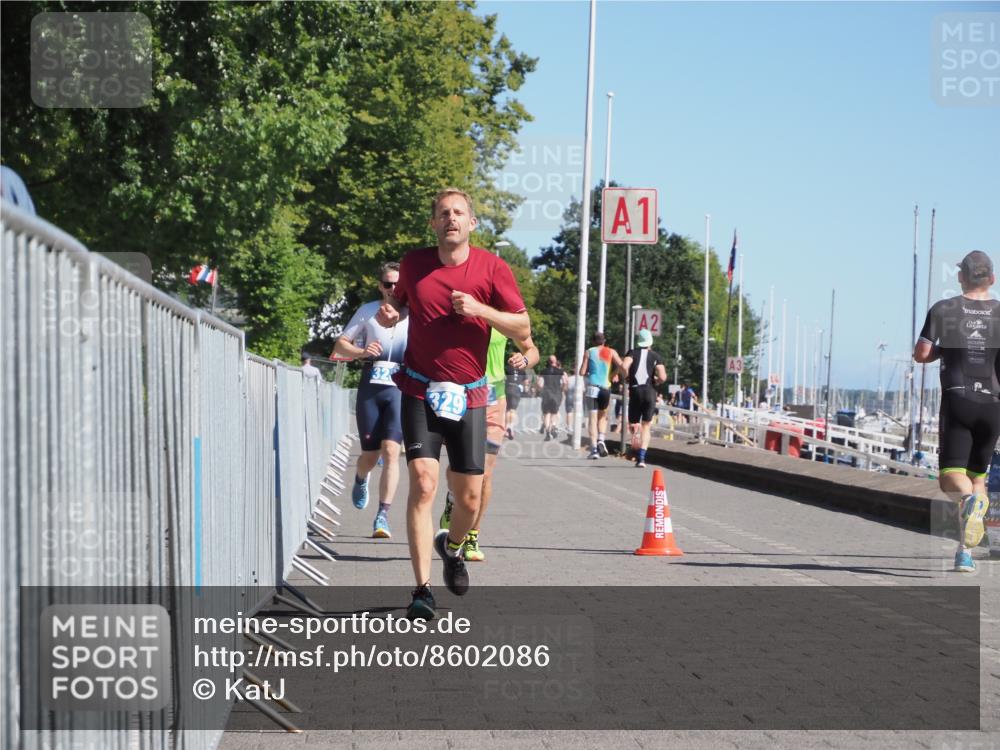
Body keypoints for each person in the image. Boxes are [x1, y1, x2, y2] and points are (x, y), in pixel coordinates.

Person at [375, 188, 529, 620]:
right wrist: (392, 312)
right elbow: (401, 303)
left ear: (472, 223)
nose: (451, 219)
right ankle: (421, 590)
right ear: (433, 224)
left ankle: (454, 548)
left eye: (458, 213)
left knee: (470, 498)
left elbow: (522, 326)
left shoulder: (493, 268)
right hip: (420, 389)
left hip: (470, 394)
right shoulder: (414, 264)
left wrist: (481, 309)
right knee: (424, 484)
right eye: (443, 213)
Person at [914, 250, 1000, 573]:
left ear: (961, 277)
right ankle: (964, 553)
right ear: (992, 279)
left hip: (958, 400)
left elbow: (921, 353)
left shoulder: (944, 309)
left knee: (951, 477)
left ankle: (970, 504)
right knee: (977, 479)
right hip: (993, 406)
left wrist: (943, 350)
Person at [439, 329, 540, 562]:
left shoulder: (503, 317)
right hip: (461, 398)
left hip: (494, 402)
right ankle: (453, 499)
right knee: (459, 466)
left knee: (484, 473)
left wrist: (525, 360)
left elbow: (532, 350)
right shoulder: (460, 313)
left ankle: (472, 535)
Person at [333, 262, 409, 539]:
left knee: (391, 451)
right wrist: (362, 352)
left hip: (400, 389)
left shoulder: (414, 314)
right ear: (380, 286)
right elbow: (340, 345)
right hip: (371, 389)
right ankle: (361, 477)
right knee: (370, 455)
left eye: (398, 284)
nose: (393, 289)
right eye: (388, 284)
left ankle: (382, 515)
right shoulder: (367, 311)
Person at [621, 329, 668, 468]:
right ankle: (641, 458)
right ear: (650, 342)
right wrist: (656, 380)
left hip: (635, 390)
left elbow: (624, 366)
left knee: (634, 423)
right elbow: (663, 377)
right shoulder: (655, 356)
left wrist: (627, 377)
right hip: (649, 391)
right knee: (646, 425)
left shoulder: (632, 353)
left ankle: (635, 439)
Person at [579, 331, 624, 459]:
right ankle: (601, 440)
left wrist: (588, 371)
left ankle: (594, 449)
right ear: (604, 341)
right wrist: (614, 374)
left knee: (592, 419)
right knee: (603, 416)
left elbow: (582, 372)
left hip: (592, 387)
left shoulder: (589, 352)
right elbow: (622, 366)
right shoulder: (611, 351)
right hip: (605, 388)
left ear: (593, 341)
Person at [538, 355, 566, 440]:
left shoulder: (544, 371)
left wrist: (541, 390)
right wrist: (562, 389)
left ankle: (547, 432)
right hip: (556, 393)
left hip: (547, 393)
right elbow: (565, 381)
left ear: (548, 362)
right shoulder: (560, 371)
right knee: (554, 413)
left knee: (547, 413)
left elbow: (539, 384)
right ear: (555, 361)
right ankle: (553, 426)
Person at [504, 357, 527, 439]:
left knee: (507, 409)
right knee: (513, 410)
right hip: (516, 389)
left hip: (508, 388)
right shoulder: (522, 370)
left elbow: (503, 378)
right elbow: (526, 382)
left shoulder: (507, 369)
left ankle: (506, 427)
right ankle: (511, 427)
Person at [565, 369, 581, 433]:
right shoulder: (580, 379)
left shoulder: (569, 378)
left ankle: (569, 426)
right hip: (578, 396)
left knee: (569, 412)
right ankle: (576, 426)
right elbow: (583, 389)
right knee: (577, 412)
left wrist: (566, 394)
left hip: (569, 395)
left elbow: (566, 388)